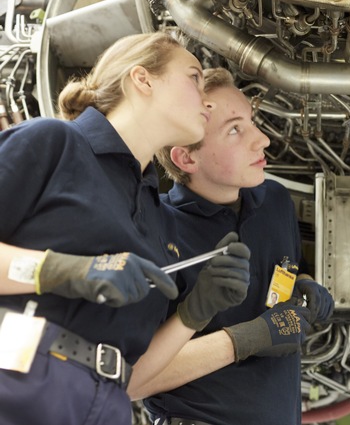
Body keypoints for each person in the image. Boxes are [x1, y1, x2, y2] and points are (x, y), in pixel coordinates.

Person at [0, 32, 250, 425]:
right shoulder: (54, 143)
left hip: (110, 406)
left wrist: (195, 312)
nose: (206, 100)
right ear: (142, 79)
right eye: (194, 77)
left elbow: (136, 381)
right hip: (19, 378)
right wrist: (63, 272)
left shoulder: (159, 219)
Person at [134, 67, 334, 425]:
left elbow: (285, 272)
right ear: (186, 158)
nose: (262, 140)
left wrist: (304, 286)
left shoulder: (274, 201)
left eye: (251, 122)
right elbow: (133, 379)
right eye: (234, 130)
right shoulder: (155, 232)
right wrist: (252, 336)